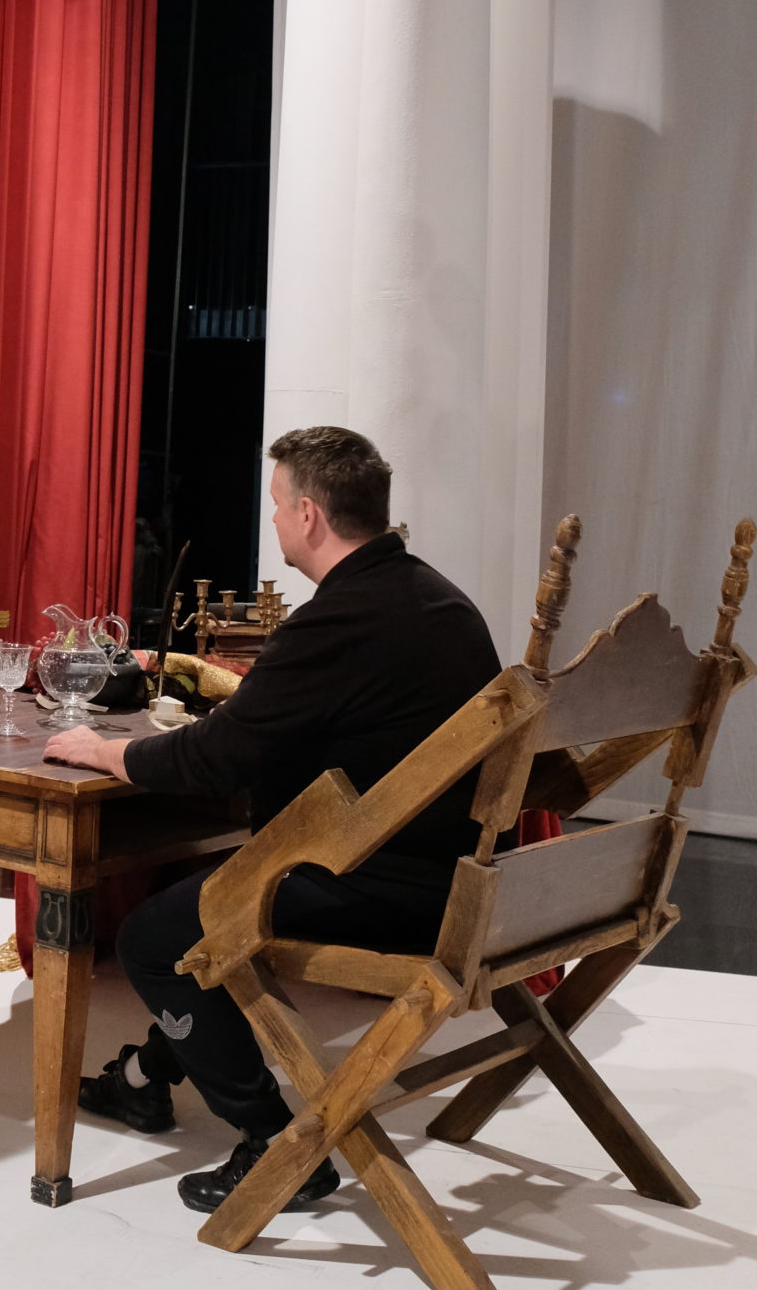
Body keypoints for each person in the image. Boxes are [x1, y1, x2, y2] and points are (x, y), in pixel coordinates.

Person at [43, 425, 499, 1220]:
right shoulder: (436, 598)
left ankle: (270, 1140)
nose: (277, 521)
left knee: (157, 939)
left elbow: (216, 759)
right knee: (214, 907)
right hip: (451, 868)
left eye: (278, 506)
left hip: (388, 884)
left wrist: (103, 751)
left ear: (309, 514)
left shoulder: (343, 617)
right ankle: (144, 1081)